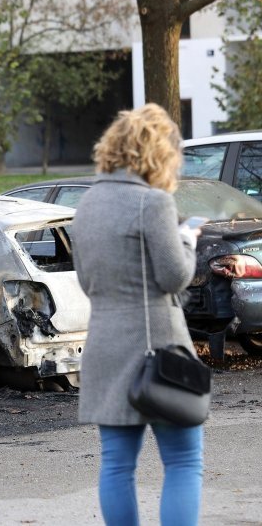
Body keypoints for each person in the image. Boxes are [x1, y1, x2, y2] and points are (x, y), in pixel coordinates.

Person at [72, 103, 203, 525]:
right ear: (156, 153)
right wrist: (187, 240)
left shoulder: (86, 205)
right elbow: (174, 277)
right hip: (158, 348)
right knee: (183, 462)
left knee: (115, 465)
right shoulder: (154, 203)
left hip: (105, 346)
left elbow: (87, 280)